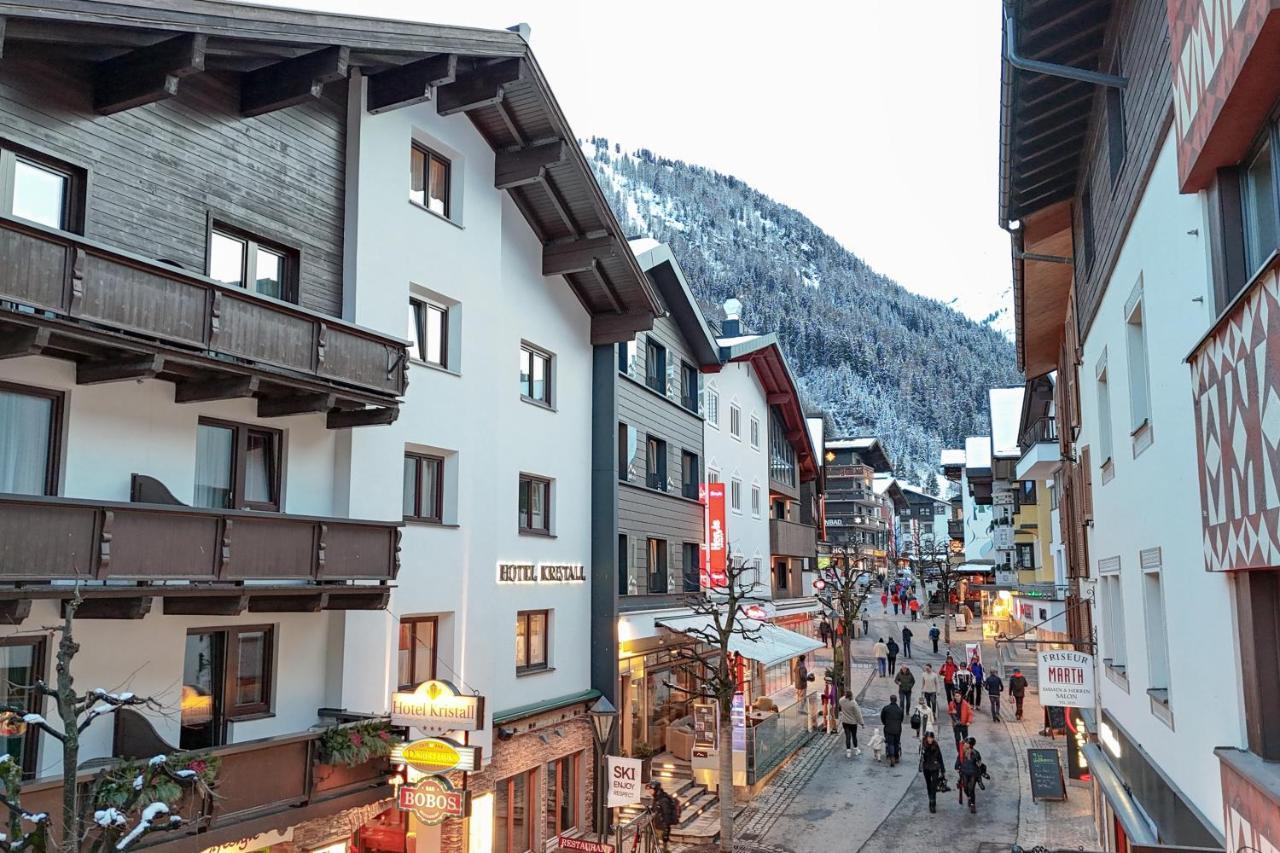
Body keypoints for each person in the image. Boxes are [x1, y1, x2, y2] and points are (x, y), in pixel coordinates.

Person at [919, 731, 945, 813]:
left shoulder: (936, 745)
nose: (930, 739)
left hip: (935, 767)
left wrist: (943, 769)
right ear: (926, 738)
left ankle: (932, 802)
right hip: (926, 768)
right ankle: (931, 799)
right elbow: (920, 757)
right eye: (929, 738)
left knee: (934, 785)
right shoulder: (923, 746)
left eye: (931, 738)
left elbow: (940, 757)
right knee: (929, 785)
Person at [648, 781, 679, 849]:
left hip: (661, 828)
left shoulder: (663, 800)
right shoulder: (657, 798)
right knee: (657, 846)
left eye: (651, 789)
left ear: (656, 790)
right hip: (657, 826)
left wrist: (666, 829)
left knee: (662, 848)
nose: (649, 791)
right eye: (649, 789)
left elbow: (667, 814)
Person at [955, 739, 981, 813]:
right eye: (965, 742)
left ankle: (973, 804)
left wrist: (978, 762)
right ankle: (969, 797)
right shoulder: (962, 752)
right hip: (964, 772)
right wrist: (957, 766)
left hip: (973, 773)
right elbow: (958, 759)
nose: (965, 744)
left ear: (971, 745)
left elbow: (979, 763)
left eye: (967, 743)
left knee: (971, 789)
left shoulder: (976, 753)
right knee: (966, 788)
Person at [880, 695, 905, 766]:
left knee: (890, 743)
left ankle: (892, 756)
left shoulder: (886, 708)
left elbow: (882, 717)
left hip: (888, 729)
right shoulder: (900, 709)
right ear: (896, 700)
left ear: (890, 700)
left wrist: (885, 723)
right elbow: (901, 719)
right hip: (897, 729)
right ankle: (896, 756)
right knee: (896, 743)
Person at [839, 689, 864, 757]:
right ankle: (856, 750)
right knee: (854, 736)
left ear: (845, 694)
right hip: (853, 723)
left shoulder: (841, 701)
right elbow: (858, 714)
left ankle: (848, 752)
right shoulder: (853, 703)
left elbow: (841, 700)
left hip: (845, 722)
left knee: (847, 736)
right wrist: (861, 723)